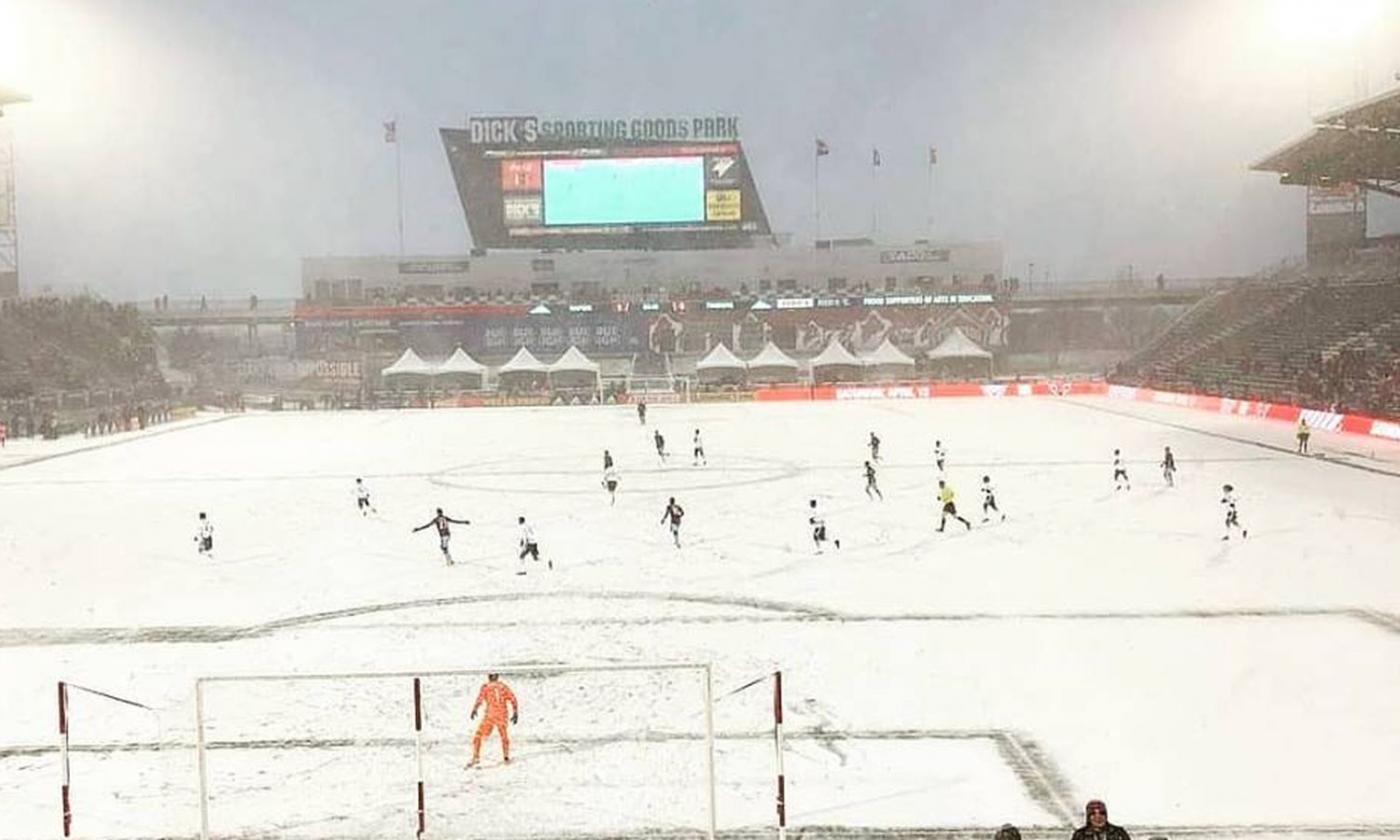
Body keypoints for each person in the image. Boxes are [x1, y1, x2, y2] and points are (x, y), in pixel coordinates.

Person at [468, 673, 518, 768]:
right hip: (502, 715)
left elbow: (480, 699)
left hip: (490, 715)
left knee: (478, 735)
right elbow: (513, 699)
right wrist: (515, 712)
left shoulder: (486, 687)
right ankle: (506, 757)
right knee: (504, 735)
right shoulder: (503, 687)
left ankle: (476, 757)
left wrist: (475, 709)